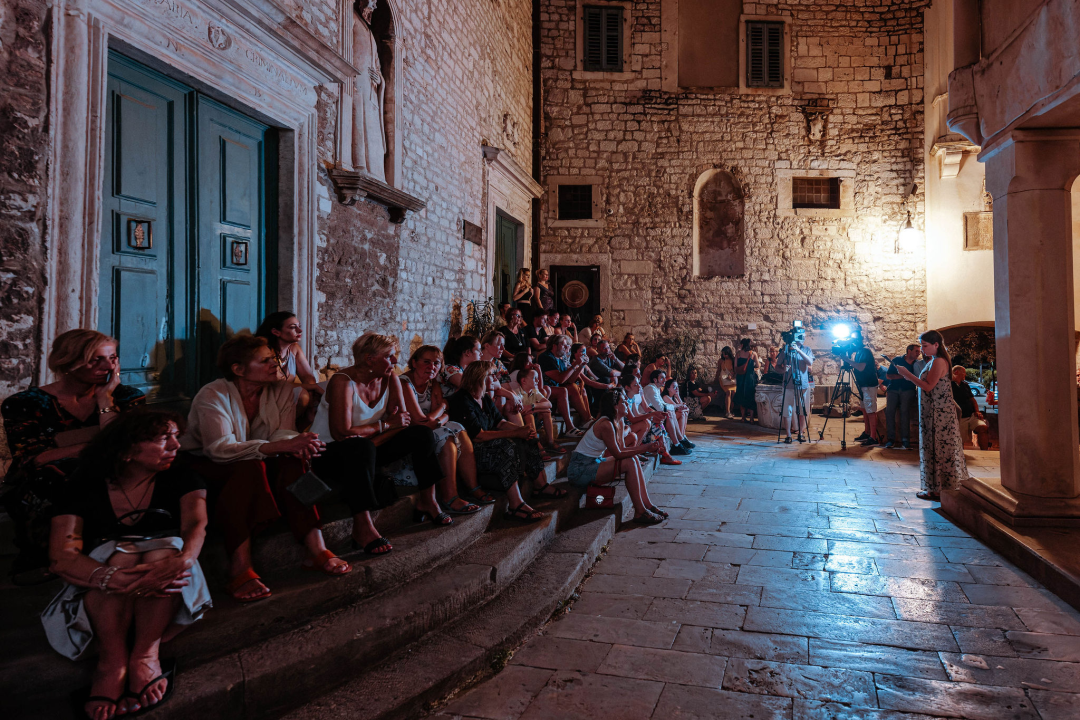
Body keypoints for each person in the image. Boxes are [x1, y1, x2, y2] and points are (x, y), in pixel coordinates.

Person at [44, 410, 210, 719]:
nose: (176, 445)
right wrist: (113, 578)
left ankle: (146, 655)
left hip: (168, 579)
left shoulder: (184, 477)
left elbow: (195, 526)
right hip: (103, 586)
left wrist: (185, 558)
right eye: (164, 438)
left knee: (164, 553)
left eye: (176, 436)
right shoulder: (82, 484)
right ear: (127, 449)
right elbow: (62, 555)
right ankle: (112, 661)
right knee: (119, 556)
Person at [182, 335, 350, 603]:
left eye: (274, 358)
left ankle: (316, 548)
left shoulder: (281, 389)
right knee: (249, 468)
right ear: (238, 369)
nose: (275, 364)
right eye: (265, 360)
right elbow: (219, 449)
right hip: (209, 464)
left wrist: (297, 445)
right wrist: (280, 446)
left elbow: (283, 433)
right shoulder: (213, 394)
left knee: (292, 460)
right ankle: (240, 566)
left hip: (256, 461)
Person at [2, 329, 145, 581]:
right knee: (61, 475)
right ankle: (55, 557)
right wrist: (99, 445)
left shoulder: (127, 398)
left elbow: (129, 446)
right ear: (68, 362)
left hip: (110, 469)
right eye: (96, 359)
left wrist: (105, 401)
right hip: (46, 478)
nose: (107, 366)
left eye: (112, 358)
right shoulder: (26, 403)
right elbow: (34, 458)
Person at [309, 333, 455, 545]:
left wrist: (374, 439)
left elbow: (403, 422)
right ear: (370, 359)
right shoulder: (343, 382)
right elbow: (341, 433)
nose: (395, 361)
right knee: (359, 447)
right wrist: (384, 425)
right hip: (329, 452)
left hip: (368, 446)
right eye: (389, 356)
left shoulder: (390, 379)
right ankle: (363, 526)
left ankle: (428, 500)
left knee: (421, 434)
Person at [448, 362, 567, 523]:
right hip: (472, 453)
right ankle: (515, 505)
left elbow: (500, 422)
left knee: (529, 437)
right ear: (479, 377)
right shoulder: (462, 400)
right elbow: (478, 436)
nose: (496, 379)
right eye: (492, 375)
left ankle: (540, 485)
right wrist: (515, 432)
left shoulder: (484, 397)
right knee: (506, 446)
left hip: (488, 442)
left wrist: (523, 430)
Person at [401, 345, 493, 513]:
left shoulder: (433, 383)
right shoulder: (404, 383)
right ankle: (450, 497)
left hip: (430, 427)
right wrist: (442, 407)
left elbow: (444, 416)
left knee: (459, 428)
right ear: (414, 363)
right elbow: (419, 420)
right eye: (426, 362)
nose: (432, 367)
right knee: (447, 436)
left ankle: (473, 487)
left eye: (436, 363)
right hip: (410, 433)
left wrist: (438, 417)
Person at [567, 390, 667, 524]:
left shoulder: (617, 421)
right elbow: (618, 454)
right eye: (623, 402)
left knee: (633, 459)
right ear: (615, 406)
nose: (627, 404)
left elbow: (623, 449)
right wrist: (646, 448)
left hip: (594, 462)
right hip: (580, 469)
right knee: (629, 462)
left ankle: (647, 505)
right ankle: (640, 511)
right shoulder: (606, 424)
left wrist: (646, 448)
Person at [895, 330, 970, 500]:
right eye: (921, 346)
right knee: (933, 449)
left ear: (936, 345)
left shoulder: (939, 361)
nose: (922, 349)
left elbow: (928, 386)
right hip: (933, 411)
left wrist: (907, 375)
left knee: (937, 449)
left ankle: (936, 489)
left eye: (925, 346)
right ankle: (934, 488)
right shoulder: (934, 360)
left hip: (938, 414)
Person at [255, 311, 325, 428]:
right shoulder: (265, 351)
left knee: (325, 393)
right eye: (293, 327)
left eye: (299, 326)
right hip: (269, 397)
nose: (300, 331)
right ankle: (282, 430)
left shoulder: (294, 349)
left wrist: (312, 393)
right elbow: (275, 384)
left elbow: (308, 377)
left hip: (287, 395)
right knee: (303, 396)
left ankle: (300, 430)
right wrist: (311, 388)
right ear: (276, 332)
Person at [506, 352, 564, 458]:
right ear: (523, 381)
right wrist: (531, 408)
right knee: (529, 415)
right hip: (522, 421)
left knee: (546, 411)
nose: (537, 380)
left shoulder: (534, 391)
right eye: (534, 378)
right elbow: (522, 410)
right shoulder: (518, 390)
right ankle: (537, 446)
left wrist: (532, 406)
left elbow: (548, 404)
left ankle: (551, 442)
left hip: (532, 413)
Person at [618, 373, 682, 466]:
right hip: (625, 427)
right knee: (647, 423)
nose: (639, 386)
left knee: (656, 422)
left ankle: (665, 452)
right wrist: (652, 415)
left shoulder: (632, 398)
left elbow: (637, 414)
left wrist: (653, 416)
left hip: (631, 424)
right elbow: (632, 419)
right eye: (635, 385)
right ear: (627, 388)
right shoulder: (625, 399)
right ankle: (637, 452)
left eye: (638, 383)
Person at [538, 335, 593, 436]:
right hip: (543, 389)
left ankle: (586, 419)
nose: (566, 347)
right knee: (563, 391)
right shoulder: (546, 357)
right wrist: (575, 364)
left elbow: (570, 380)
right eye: (563, 345)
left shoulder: (560, 358)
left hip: (555, 387)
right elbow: (560, 379)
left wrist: (581, 365)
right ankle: (569, 427)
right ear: (554, 345)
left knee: (573, 387)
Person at [643, 369, 694, 454]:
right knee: (669, 413)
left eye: (664, 378)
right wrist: (677, 406)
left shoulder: (656, 389)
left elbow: (663, 405)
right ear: (655, 380)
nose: (664, 380)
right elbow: (661, 408)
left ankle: (679, 442)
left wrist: (676, 405)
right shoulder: (650, 389)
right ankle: (678, 443)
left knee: (671, 412)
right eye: (662, 378)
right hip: (645, 415)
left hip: (652, 413)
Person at [775, 341, 814, 443]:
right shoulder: (785, 350)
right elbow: (777, 366)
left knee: (802, 409)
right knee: (787, 410)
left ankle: (801, 433)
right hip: (788, 384)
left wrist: (798, 350)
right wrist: (783, 370)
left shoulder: (806, 349)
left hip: (802, 384)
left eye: (802, 336)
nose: (801, 338)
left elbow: (810, 362)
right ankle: (788, 435)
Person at [884, 344, 921, 449]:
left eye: (919, 351)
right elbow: (888, 375)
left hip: (908, 390)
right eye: (916, 351)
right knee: (889, 412)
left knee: (905, 412)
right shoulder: (897, 360)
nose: (918, 354)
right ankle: (891, 439)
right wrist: (904, 375)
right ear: (909, 351)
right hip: (893, 389)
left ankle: (905, 440)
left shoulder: (917, 364)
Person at [848, 334, 880, 446]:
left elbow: (861, 367)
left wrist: (847, 359)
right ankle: (867, 433)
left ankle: (873, 437)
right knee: (865, 409)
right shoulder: (859, 351)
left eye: (853, 342)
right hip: (863, 385)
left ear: (858, 341)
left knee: (870, 410)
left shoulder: (865, 351)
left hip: (869, 385)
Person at [951, 365, 990, 450]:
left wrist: (977, 411)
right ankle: (960, 455)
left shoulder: (965, 385)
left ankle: (985, 453)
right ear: (956, 372)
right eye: (963, 372)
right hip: (959, 418)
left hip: (972, 415)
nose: (965, 374)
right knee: (959, 439)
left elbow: (973, 400)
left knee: (983, 428)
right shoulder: (949, 386)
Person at [439, 335, 484, 400]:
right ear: (468, 352)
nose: (481, 354)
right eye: (478, 350)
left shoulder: (463, 370)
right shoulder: (450, 369)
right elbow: (473, 389)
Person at [733, 339, 759, 423]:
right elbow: (758, 365)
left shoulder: (738, 354)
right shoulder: (753, 354)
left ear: (742, 345)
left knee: (741, 396)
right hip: (750, 378)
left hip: (740, 378)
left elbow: (735, 367)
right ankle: (751, 418)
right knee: (750, 396)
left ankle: (743, 417)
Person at [714, 346, 737, 418]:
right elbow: (718, 370)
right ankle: (727, 411)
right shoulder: (721, 361)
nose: (724, 355)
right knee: (728, 392)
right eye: (723, 354)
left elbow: (735, 370)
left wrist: (732, 375)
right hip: (723, 379)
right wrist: (716, 379)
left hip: (732, 379)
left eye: (725, 354)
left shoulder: (733, 360)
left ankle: (732, 409)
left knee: (734, 393)